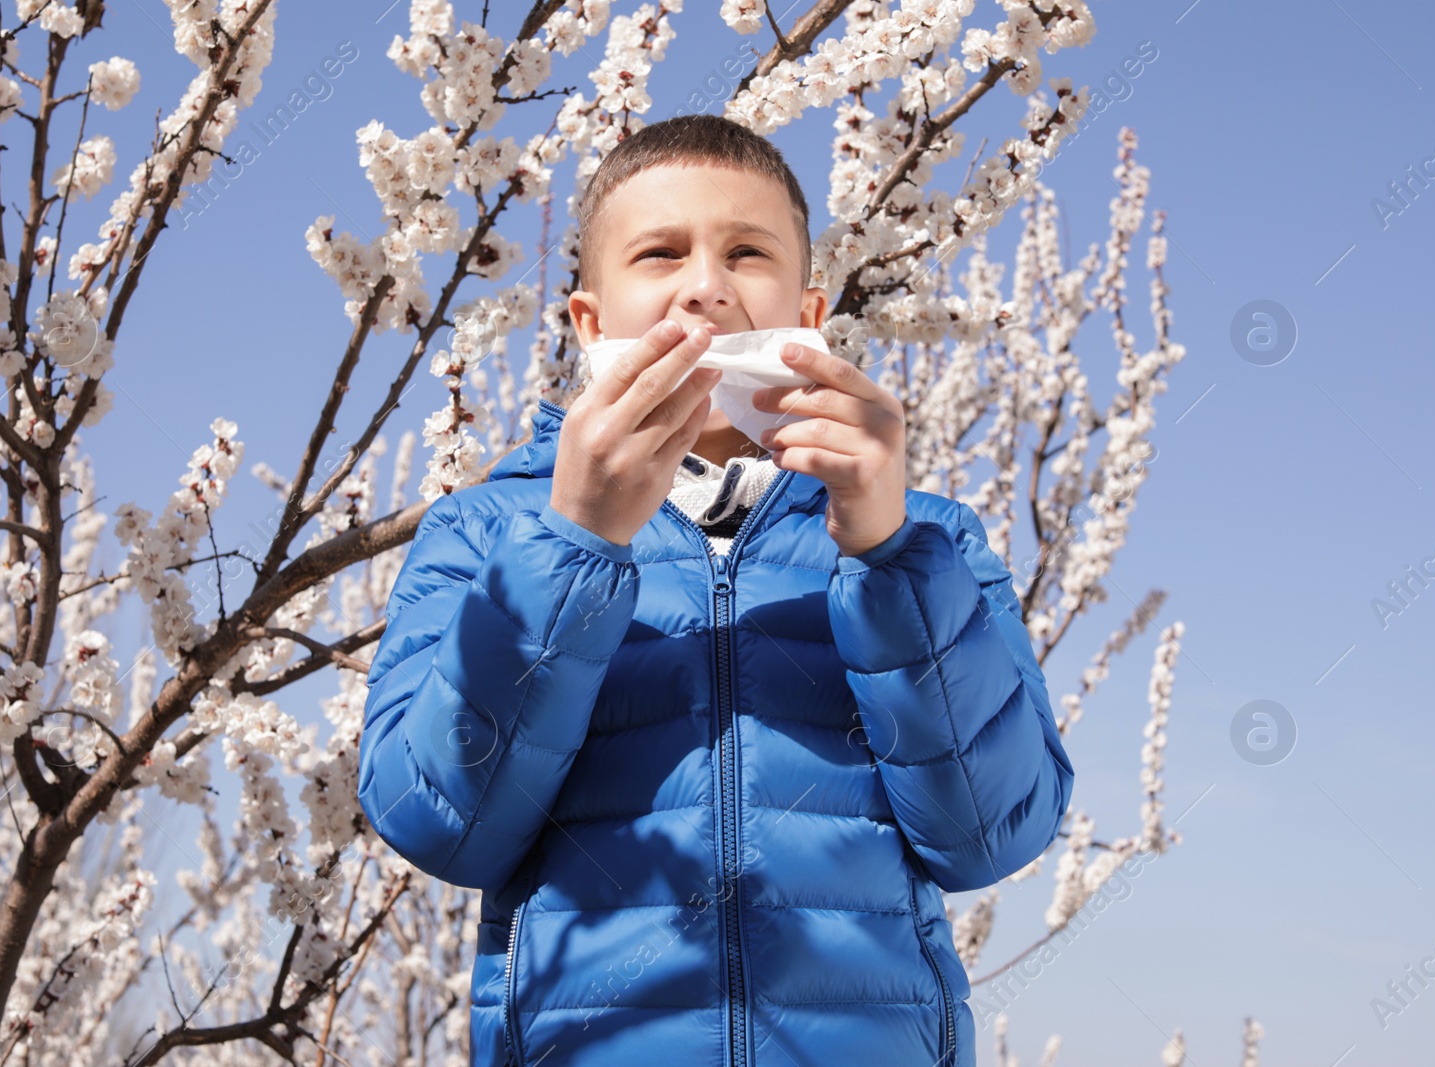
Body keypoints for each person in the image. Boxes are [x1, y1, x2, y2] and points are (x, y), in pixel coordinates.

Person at [358, 113, 1074, 1067]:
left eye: (747, 252)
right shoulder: (489, 531)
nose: (706, 287)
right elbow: (440, 824)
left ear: (809, 317)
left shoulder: (930, 540)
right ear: (589, 323)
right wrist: (573, 543)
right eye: (660, 254)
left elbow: (990, 834)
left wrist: (888, 556)